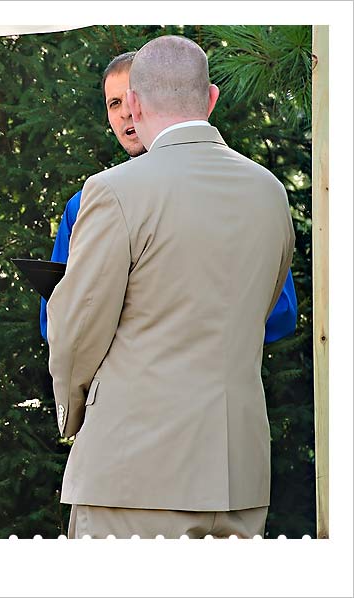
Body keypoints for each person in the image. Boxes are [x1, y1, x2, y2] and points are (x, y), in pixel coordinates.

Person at [45, 36, 296, 539]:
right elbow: (265, 307)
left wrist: (73, 416)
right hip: (239, 475)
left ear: (134, 103)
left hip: (133, 471)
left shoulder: (113, 190)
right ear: (211, 100)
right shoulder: (269, 190)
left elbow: (75, 332)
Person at [39, 52, 297, 343]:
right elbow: (54, 322)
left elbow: (282, 311)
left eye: (131, 98)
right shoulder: (85, 203)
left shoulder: (247, 191)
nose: (126, 111)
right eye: (114, 103)